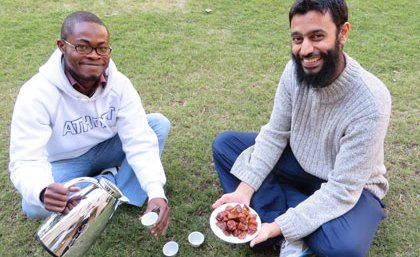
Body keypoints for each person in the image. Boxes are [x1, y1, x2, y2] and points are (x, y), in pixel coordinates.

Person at [212, 0, 391, 256]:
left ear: (343, 33)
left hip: (351, 186)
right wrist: (243, 190)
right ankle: (295, 218)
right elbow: (275, 134)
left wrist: (277, 227)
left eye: (317, 36)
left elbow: (342, 189)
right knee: (225, 145)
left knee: (344, 248)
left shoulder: (371, 101)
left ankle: (277, 222)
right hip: (299, 161)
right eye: (297, 39)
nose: (306, 50)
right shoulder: (293, 72)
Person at [9, 11, 170, 236]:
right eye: (83, 47)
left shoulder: (120, 85)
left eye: (102, 48)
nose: (94, 55)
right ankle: (112, 184)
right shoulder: (36, 93)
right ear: (62, 46)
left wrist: (155, 191)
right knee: (34, 204)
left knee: (157, 125)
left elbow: (139, 139)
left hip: (107, 146)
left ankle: (106, 189)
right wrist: (43, 189)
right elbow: (26, 159)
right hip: (65, 161)